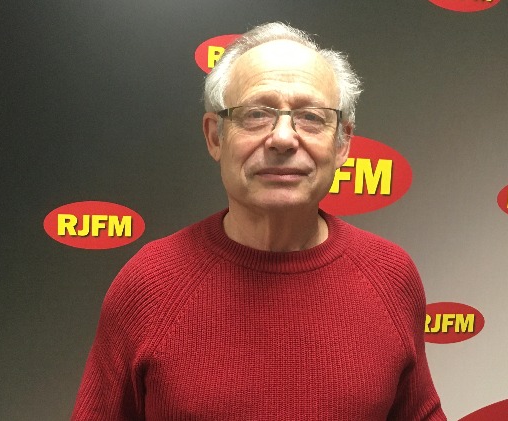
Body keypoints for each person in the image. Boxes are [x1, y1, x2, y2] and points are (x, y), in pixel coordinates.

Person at [71, 22, 446, 420]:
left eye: (311, 117)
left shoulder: (390, 276)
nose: (283, 138)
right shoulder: (149, 284)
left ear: (342, 144)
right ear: (215, 137)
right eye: (256, 114)